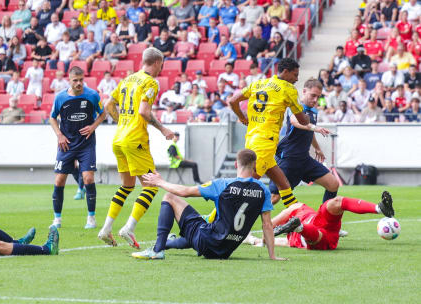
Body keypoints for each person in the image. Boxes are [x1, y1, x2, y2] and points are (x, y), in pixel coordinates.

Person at [131, 149, 284, 261]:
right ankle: (167, 243)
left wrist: (160, 182)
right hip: (226, 250)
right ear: (254, 165)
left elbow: (185, 191)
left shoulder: (223, 184)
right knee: (202, 226)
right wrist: (272, 256)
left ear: (236, 164)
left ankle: (157, 250)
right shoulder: (263, 190)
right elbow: (267, 225)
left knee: (170, 197)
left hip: (208, 241)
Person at [98, 48, 174, 248]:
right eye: (162, 64)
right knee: (151, 185)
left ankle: (106, 229)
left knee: (127, 185)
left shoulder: (127, 79)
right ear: (157, 62)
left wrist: (122, 122)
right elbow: (143, 111)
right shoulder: (151, 82)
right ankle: (128, 228)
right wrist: (163, 129)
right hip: (135, 140)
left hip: (119, 139)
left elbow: (108, 105)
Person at [228, 58, 309, 213]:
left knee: (284, 184)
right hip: (266, 143)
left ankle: (297, 216)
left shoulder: (258, 83)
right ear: (285, 72)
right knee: (243, 188)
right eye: (295, 74)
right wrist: (307, 113)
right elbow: (302, 120)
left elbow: (232, 101)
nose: (297, 79)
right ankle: (212, 220)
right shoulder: (287, 89)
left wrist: (242, 117)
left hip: (252, 139)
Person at [49, 66, 106, 229]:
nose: (79, 83)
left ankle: (91, 218)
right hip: (66, 143)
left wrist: (93, 126)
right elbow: (52, 118)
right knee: (59, 180)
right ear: (69, 80)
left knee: (88, 178)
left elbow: (103, 114)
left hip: (86, 144)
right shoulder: (60, 97)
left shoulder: (93, 95)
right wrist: (59, 135)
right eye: (75, 80)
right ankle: (57, 220)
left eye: (81, 80)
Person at [268, 78, 339, 208]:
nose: (315, 100)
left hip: (304, 160)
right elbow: (296, 122)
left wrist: (317, 148)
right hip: (288, 159)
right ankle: (246, 222)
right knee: (274, 197)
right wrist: (315, 128)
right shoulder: (296, 107)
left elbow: (308, 132)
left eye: (318, 96)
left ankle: (325, 224)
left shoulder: (314, 111)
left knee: (333, 184)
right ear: (304, 91)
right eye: (313, 95)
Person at [251, 191, 394, 250]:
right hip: (320, 231)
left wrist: (265, 235)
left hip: (319, 223)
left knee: (336, 202)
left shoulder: (296, 209)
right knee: (316, 235)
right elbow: (274, 237)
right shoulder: (289, 236)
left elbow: (273, 223)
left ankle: (380, 208)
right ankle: (299, 227)